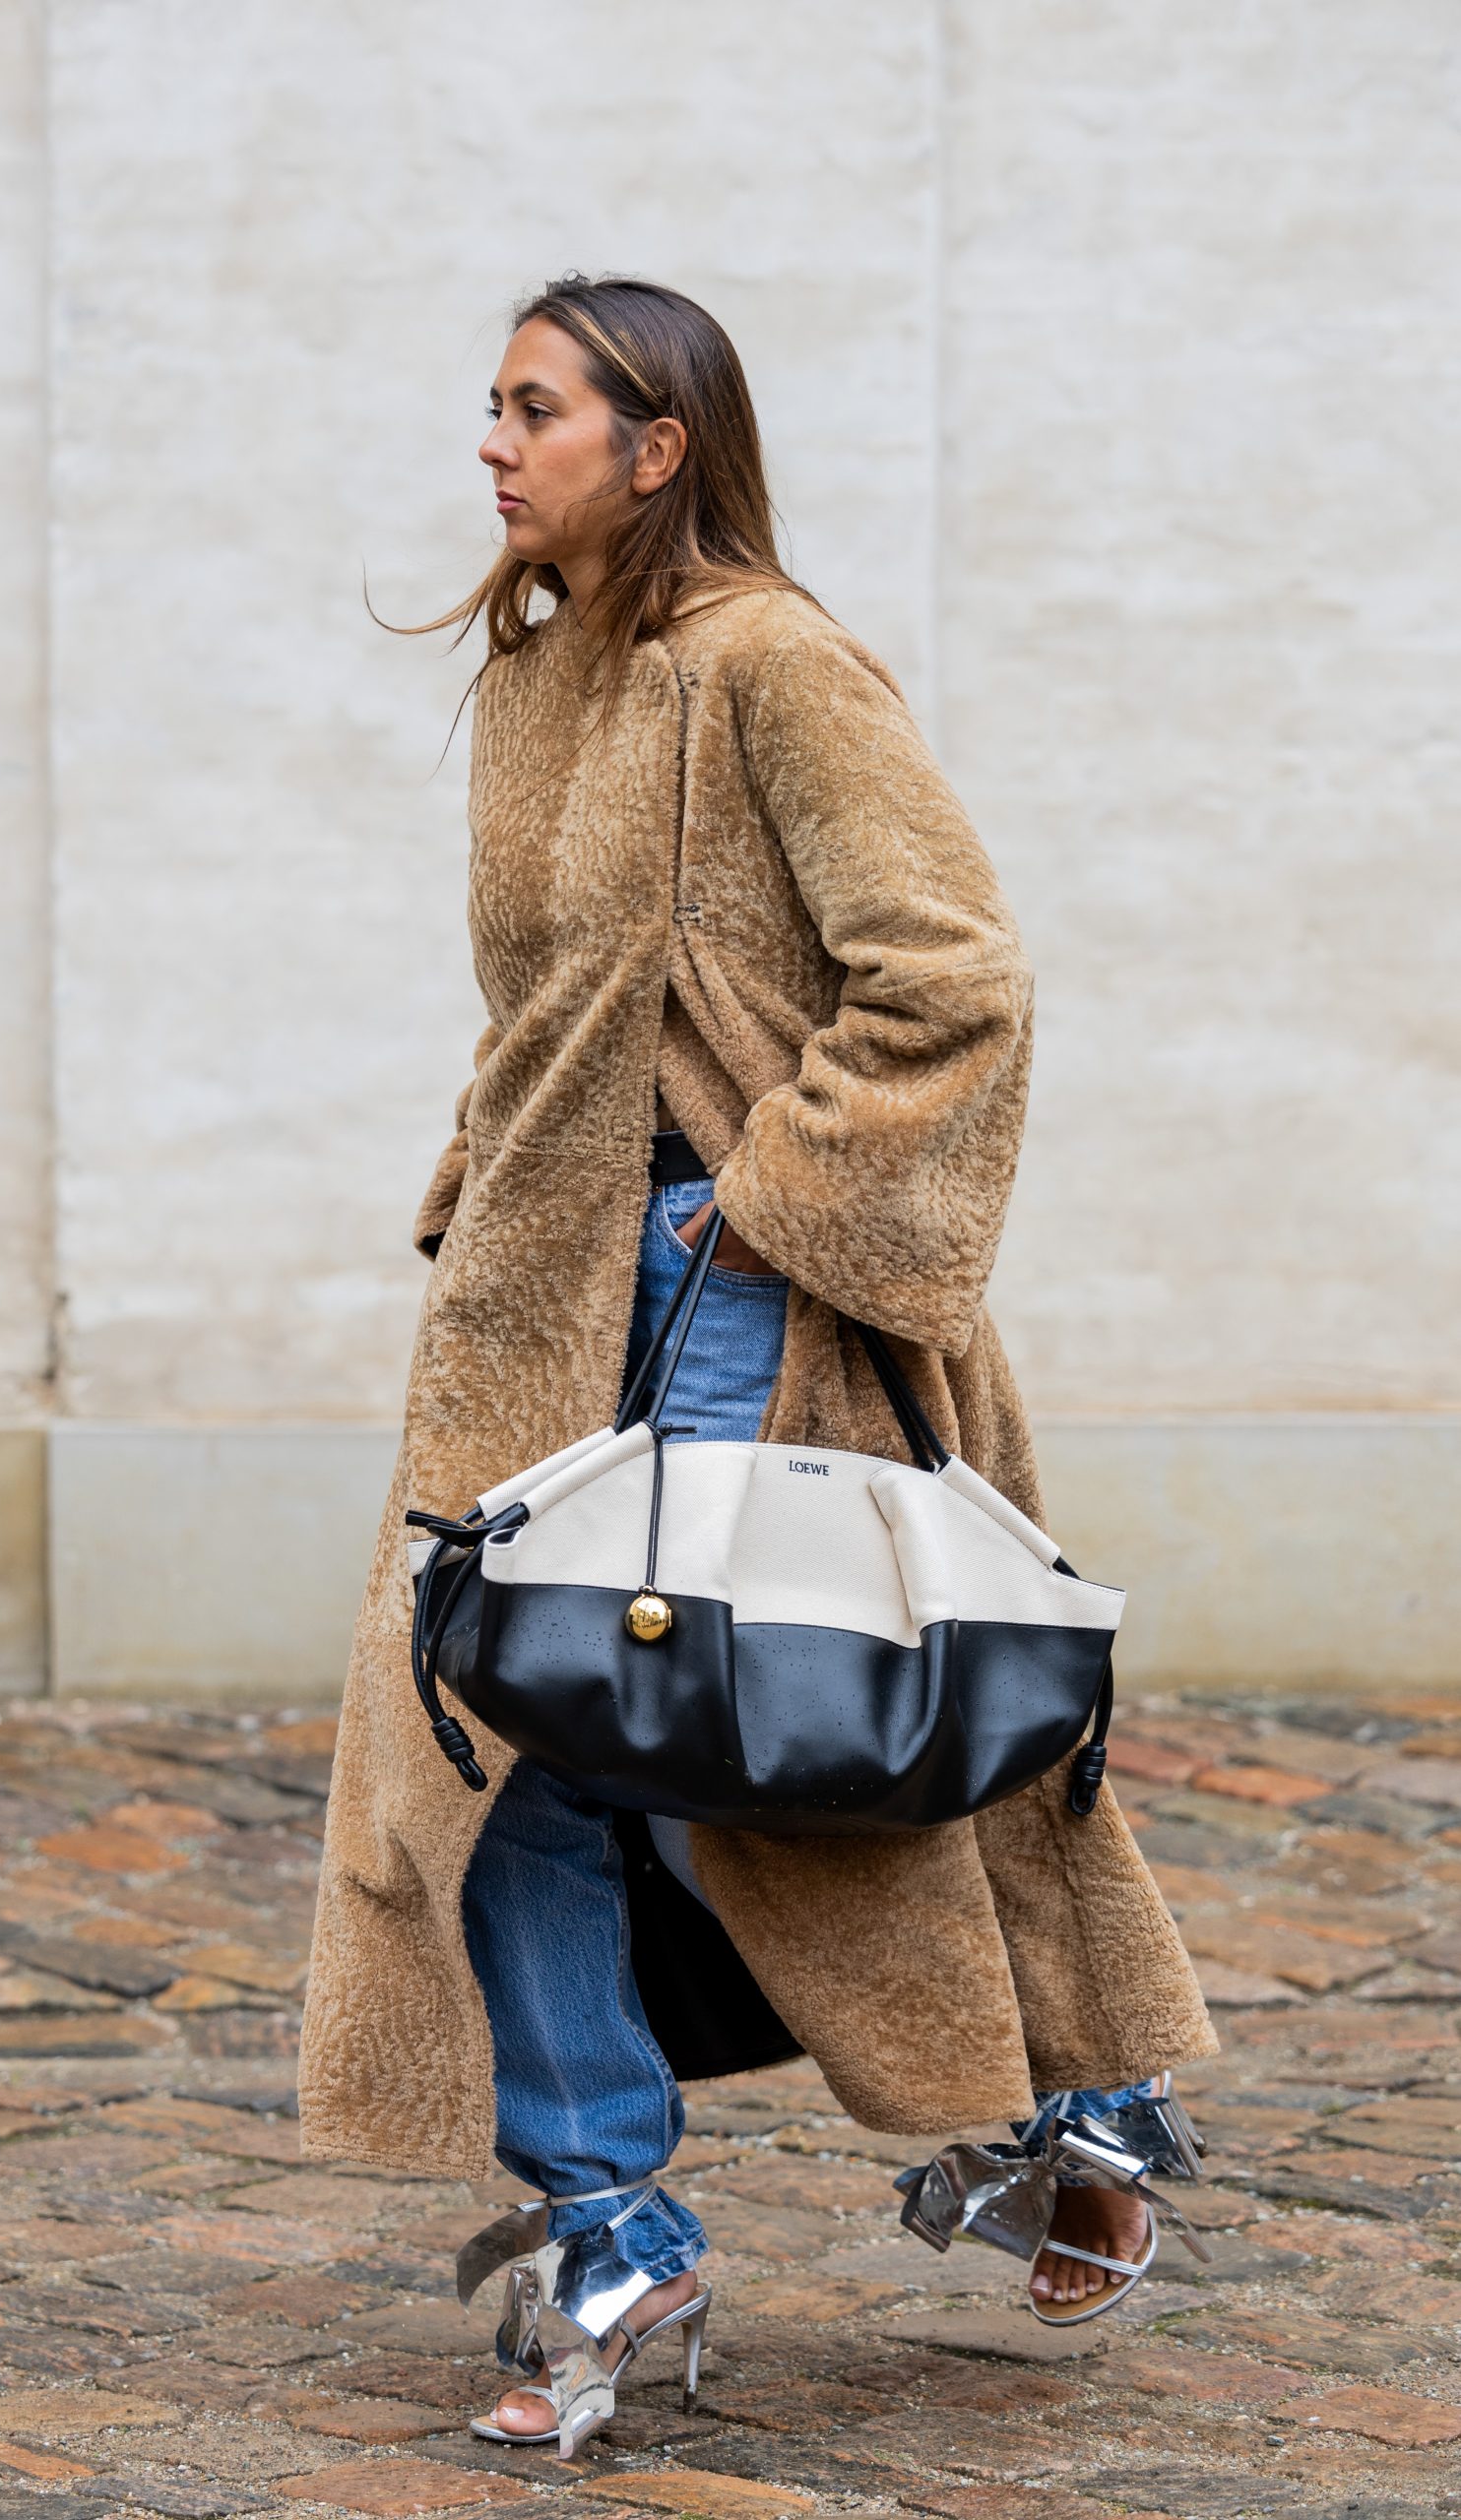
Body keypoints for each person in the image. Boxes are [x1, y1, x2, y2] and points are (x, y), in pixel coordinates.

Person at [297, 274, 1216, 2453]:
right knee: (502, 1740)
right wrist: (471, 1183)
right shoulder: (541, 680)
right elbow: (544, 1003)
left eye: (535, 409)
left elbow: (952, 975)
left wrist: (773, 1198)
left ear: (657, 440)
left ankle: (1063, 2098)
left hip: (746, 1299)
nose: (494, 446)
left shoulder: (772, 668)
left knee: (749, 1734)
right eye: (488, 408)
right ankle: (617, 2211)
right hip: (537, 1312)